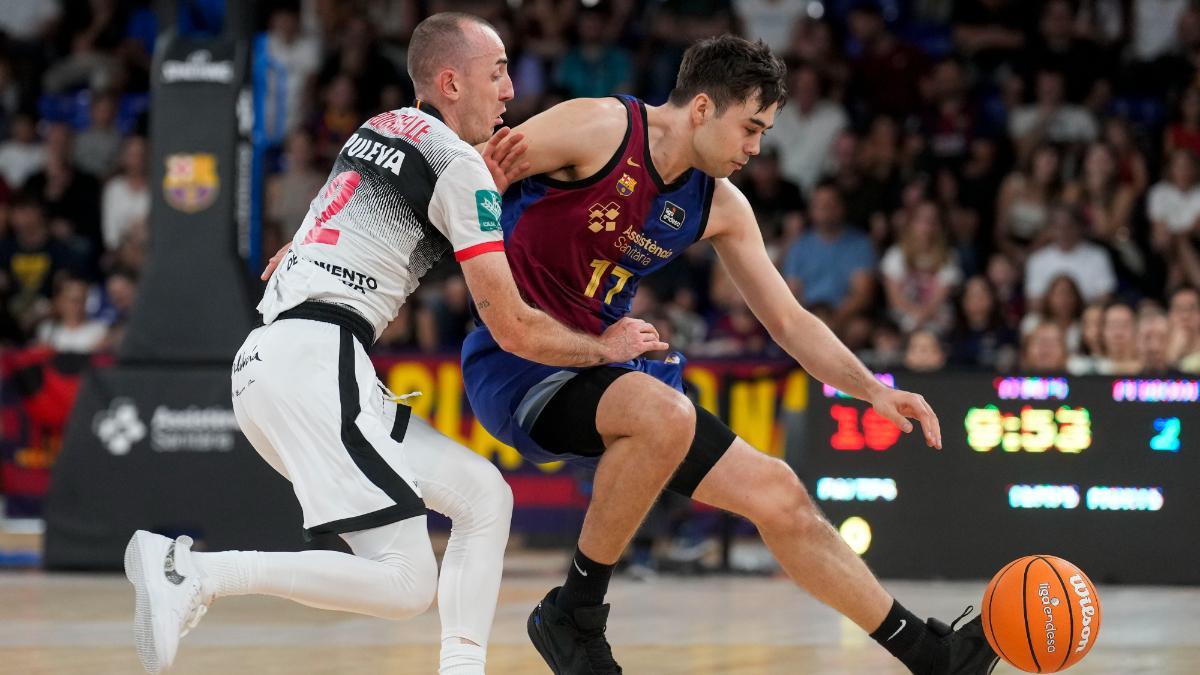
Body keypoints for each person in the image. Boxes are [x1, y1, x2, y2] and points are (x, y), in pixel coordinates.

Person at [122, 13, 666, 675]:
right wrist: (603, 347)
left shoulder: (377, 128)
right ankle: (195, 571)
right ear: (451, 81)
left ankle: (462, 666)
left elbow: (335, 225)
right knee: (407, 580)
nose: (508, 93)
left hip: (282, 359)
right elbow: (511, 326)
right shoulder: (455, 163)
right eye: (496, 74)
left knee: (483, 495)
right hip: (316, 363)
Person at [461, 35, 998, 675]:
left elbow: (789, 320)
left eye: (765, 133)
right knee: (665, 413)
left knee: (781, 495)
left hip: (607, 366)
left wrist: (872, 388)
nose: (757, 149)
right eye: (751, 128)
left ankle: (930, 654)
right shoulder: (597, 127)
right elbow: (462, 175)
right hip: (517, 362)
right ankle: (575, 613)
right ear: (702, 108)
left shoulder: (720, 205)